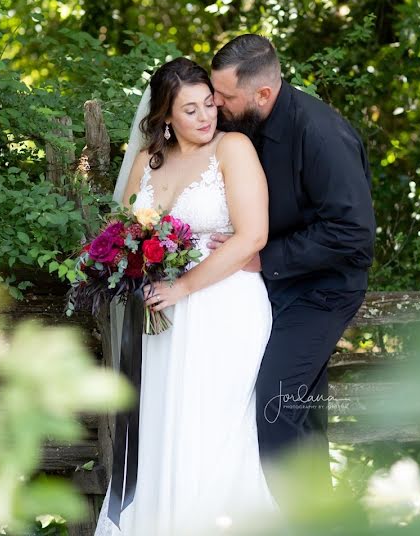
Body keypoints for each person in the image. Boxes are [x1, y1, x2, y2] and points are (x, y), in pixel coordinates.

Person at [94, 57, 280, 535]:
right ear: (166, 119)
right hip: (161, 316)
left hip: (225, 307)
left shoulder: (233, 148)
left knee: (214, 434)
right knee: (162, 430)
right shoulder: (145, 162)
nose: (206, 117)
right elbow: (123, 233)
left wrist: (182, 286)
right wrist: (131, 265)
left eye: (209, 104)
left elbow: (252, 236)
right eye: (190, 110)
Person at [208, 35, 376, 494]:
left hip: (322, 291)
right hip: (272, 287)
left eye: (225, 97)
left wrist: (264, 257)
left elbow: (352, 232)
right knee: (298, 415)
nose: (216, 105)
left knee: (276, 410)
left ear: (263, 94)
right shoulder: (247, 121)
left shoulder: (321, 134)